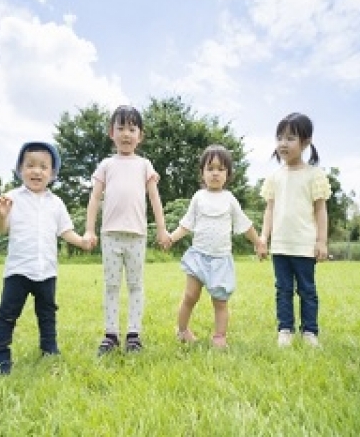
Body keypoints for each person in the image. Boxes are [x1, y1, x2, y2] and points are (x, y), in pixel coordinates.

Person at [0, 141, 91, 375]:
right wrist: (2, 216)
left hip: (46, 270)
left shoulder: (56, 203)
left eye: (43, 167)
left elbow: (65, 231)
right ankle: (0, 356)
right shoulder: (11, 198)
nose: (36, 171)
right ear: (20, 169)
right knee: (7, 314)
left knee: (47, 313)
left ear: (52, 173)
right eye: (30, 165)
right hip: (18, 269)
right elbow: (1, 229)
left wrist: (82, 241)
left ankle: (49, 348)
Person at [84, 105, 169, 356]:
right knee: (111, 285)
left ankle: (133, 334)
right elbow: (94, 198)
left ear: (140, 135)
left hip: (137, 236)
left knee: (135, 285)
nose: (126, 134)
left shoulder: (144, 165)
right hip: (110, 235)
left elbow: (155, 199)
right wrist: (89, 230)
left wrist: (162, 230)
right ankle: (111, 334)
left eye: (132, 129)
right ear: (111, 133)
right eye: (120, 128)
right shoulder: (106, 165)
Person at [166, 144, 267, 348]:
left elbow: (244, 224)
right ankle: (182, 330)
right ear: (202, 173)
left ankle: (219, 336)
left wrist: (258, 242)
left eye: (221, 169)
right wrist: (171, 238)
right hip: (198, 257)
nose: (215, 173)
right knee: (190, 296)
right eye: (210, 168)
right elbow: (186, 224)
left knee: (220, 301)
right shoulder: (198, 197)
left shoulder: (230, 199)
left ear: (228, 174)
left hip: (221, 260)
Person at [259, 113, 331, 348]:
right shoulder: (275, 177)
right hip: (280, 246)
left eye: (290, 138)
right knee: (283, 289)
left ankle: (309, 331)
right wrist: (263, 238)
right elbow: (269, 210)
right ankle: (285, 330)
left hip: (304, 245)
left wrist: (321, 241)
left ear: (306, 142)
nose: (283, 143)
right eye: (280, 137)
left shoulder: (314, 175)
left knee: (307, 290)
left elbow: (320, 210)